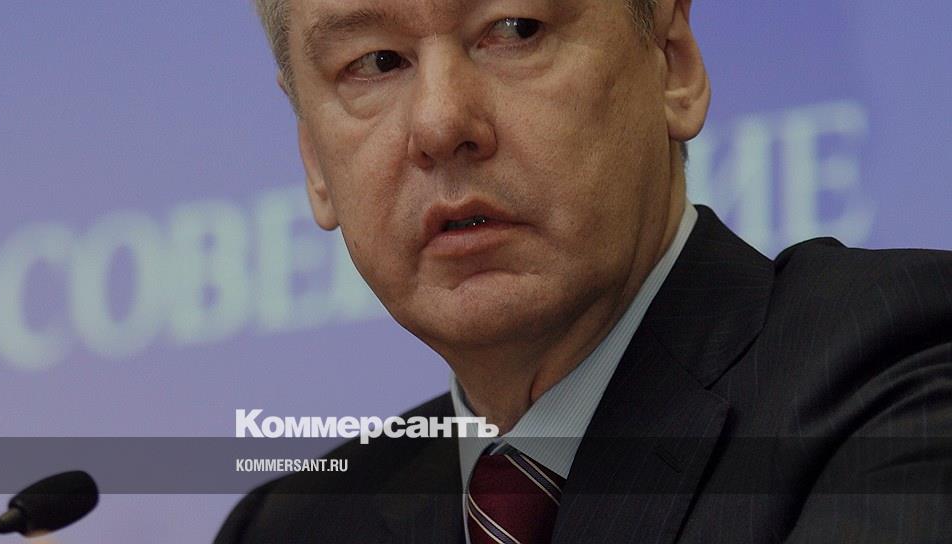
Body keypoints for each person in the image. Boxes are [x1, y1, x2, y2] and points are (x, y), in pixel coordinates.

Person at [216, 0, 952, 542]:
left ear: (672, 61)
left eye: (514, 29)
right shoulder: (289, 528)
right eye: (376, 63)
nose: (440, 124)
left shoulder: (898, 370)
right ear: (314, 160)